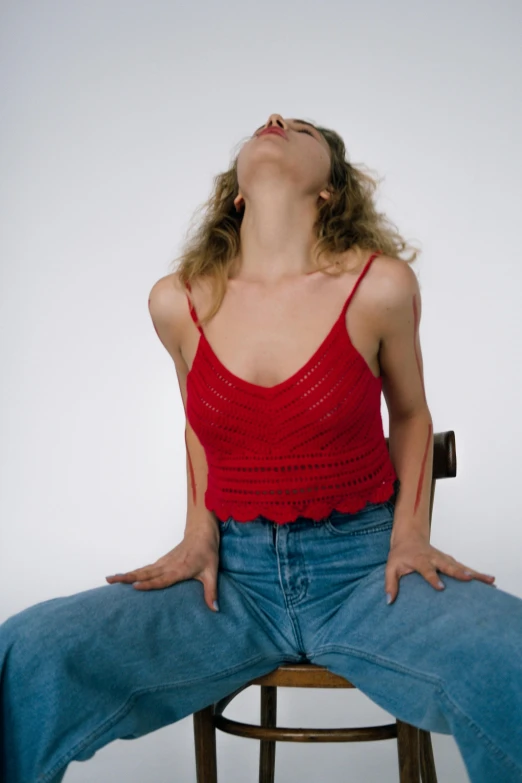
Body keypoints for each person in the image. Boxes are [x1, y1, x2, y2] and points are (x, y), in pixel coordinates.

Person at [1, 114, 521, 783]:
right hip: (230, 586)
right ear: (237, 193)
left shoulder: (379, 286)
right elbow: (198, 426)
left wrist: (410, 536)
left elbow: (413, 416)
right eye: (265, 125)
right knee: (28, 650)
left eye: (300, 128)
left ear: (331, 189)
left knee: (512, 654)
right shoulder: (178, 301)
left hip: (366, 576)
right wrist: (197, 535)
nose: (275, 121)